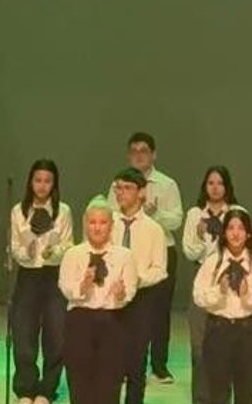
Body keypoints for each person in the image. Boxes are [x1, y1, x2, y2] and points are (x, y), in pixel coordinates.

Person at [107, 132, 183, 385]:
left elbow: (176, 220)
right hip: (124, 252)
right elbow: (109, 214)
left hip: (159, 250)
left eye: (144, 151)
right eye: (134, 151)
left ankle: (159, 365)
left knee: (158, 312)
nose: (139, 155)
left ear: (154, 154)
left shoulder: (166, 184)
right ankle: (123, 364)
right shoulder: (118, 183)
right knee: (121, 309)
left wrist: (154, 214)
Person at [59, 197, 138, 404]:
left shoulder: (125, 256)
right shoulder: (73, 254)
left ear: (111, 226)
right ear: (85, 224)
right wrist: (83, 286)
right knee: (79, 382)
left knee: (109, 383)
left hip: (113, 321)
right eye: (92, 222)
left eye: (102, 222)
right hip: (80, 321)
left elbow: (130, 290)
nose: (97, 227)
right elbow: (65, 287)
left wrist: (121, 294)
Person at [193, 209, 252, 404]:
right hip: (218, 330)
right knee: (217, 393)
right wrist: (218, 292)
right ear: (224, 233)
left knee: (246, 393)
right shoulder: (213, 261)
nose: (235, 233)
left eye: (240, 228)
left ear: (248, 233)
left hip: (248, 331)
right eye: (230, 228)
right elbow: (198, 296)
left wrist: (248, 295)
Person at [9, 159, 74, 404]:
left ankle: (47, 389)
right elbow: (14, 246)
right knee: (23, 333)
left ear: (54, 184)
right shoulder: (18, 211)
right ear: (30, 182)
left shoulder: (63, 211)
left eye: (47, 181)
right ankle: (25, 388)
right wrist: (27, 252)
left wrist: (53, 253)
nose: (42, 185)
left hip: (54, 276)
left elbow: (68, 244)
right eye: (38, 180)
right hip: (28, 276)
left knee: (56, 334)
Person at [181, 166, 241, 404]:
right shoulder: (195, 214)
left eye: (220, 183)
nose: (215, 188)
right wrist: (199, 235)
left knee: (228, 348)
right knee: (200, 348)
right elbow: (190, 252)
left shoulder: (237, 212)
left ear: (227, 186)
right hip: (202, 279)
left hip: (230, 279)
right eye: (210, 183)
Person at [110, 167, 168, 404]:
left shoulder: (153, 229)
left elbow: (160, 269)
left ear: (141, 192)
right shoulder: (108, 222)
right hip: (110, 299)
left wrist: (136, 280)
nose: (121, 193)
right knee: (110, 363)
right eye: (118, 188)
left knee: (136, 364)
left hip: (141, 301)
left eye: (127, 188)